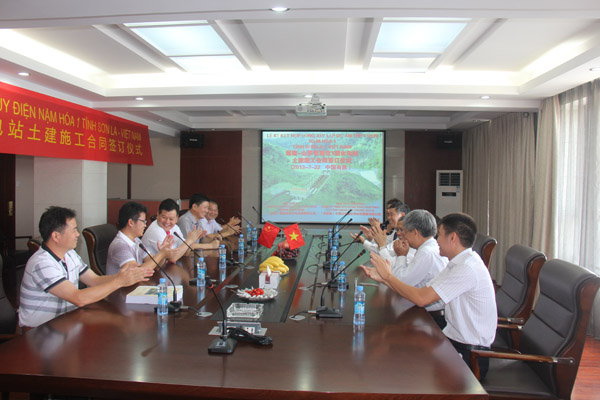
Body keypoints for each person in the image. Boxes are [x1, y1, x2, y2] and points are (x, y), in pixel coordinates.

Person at [361, 213, 497, 380]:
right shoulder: (457, 263)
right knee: (400, 353)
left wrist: (388, 277)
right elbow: (420, 292)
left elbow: (421, 299)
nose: (436, 240)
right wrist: (384, 279)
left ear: (452, 238)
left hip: (470, 355)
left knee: (408, 368)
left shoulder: (467, 268)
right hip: (452, 341)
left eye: (439, 235)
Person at [19, 206, 154, 328]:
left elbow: (94, 280)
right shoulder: (42, 263)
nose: (78, 234)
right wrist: (119, 281)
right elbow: (78, 298)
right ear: (56, 236)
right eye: (74, 230)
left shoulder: (70, 254)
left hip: (66, 323)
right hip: (39, 332)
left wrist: (122, 276)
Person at [106, 201, 175, 276]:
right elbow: (136, 273)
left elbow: (156, 266)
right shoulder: (120, 245)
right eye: (143, 221)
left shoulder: (137, 241)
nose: (145, 225)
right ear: (131, 222)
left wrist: (163, 253)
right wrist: (161, 254)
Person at [141, 198, 205, 263]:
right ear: (158, 214)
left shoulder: (175, 227)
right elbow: (172, 258)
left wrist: (192, 240)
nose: (167, 222)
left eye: (171, 219)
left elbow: (185, 251)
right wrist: (189, 241)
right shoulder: (156, 230)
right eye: (164, 217)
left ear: (177, 218)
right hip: (155, 268)